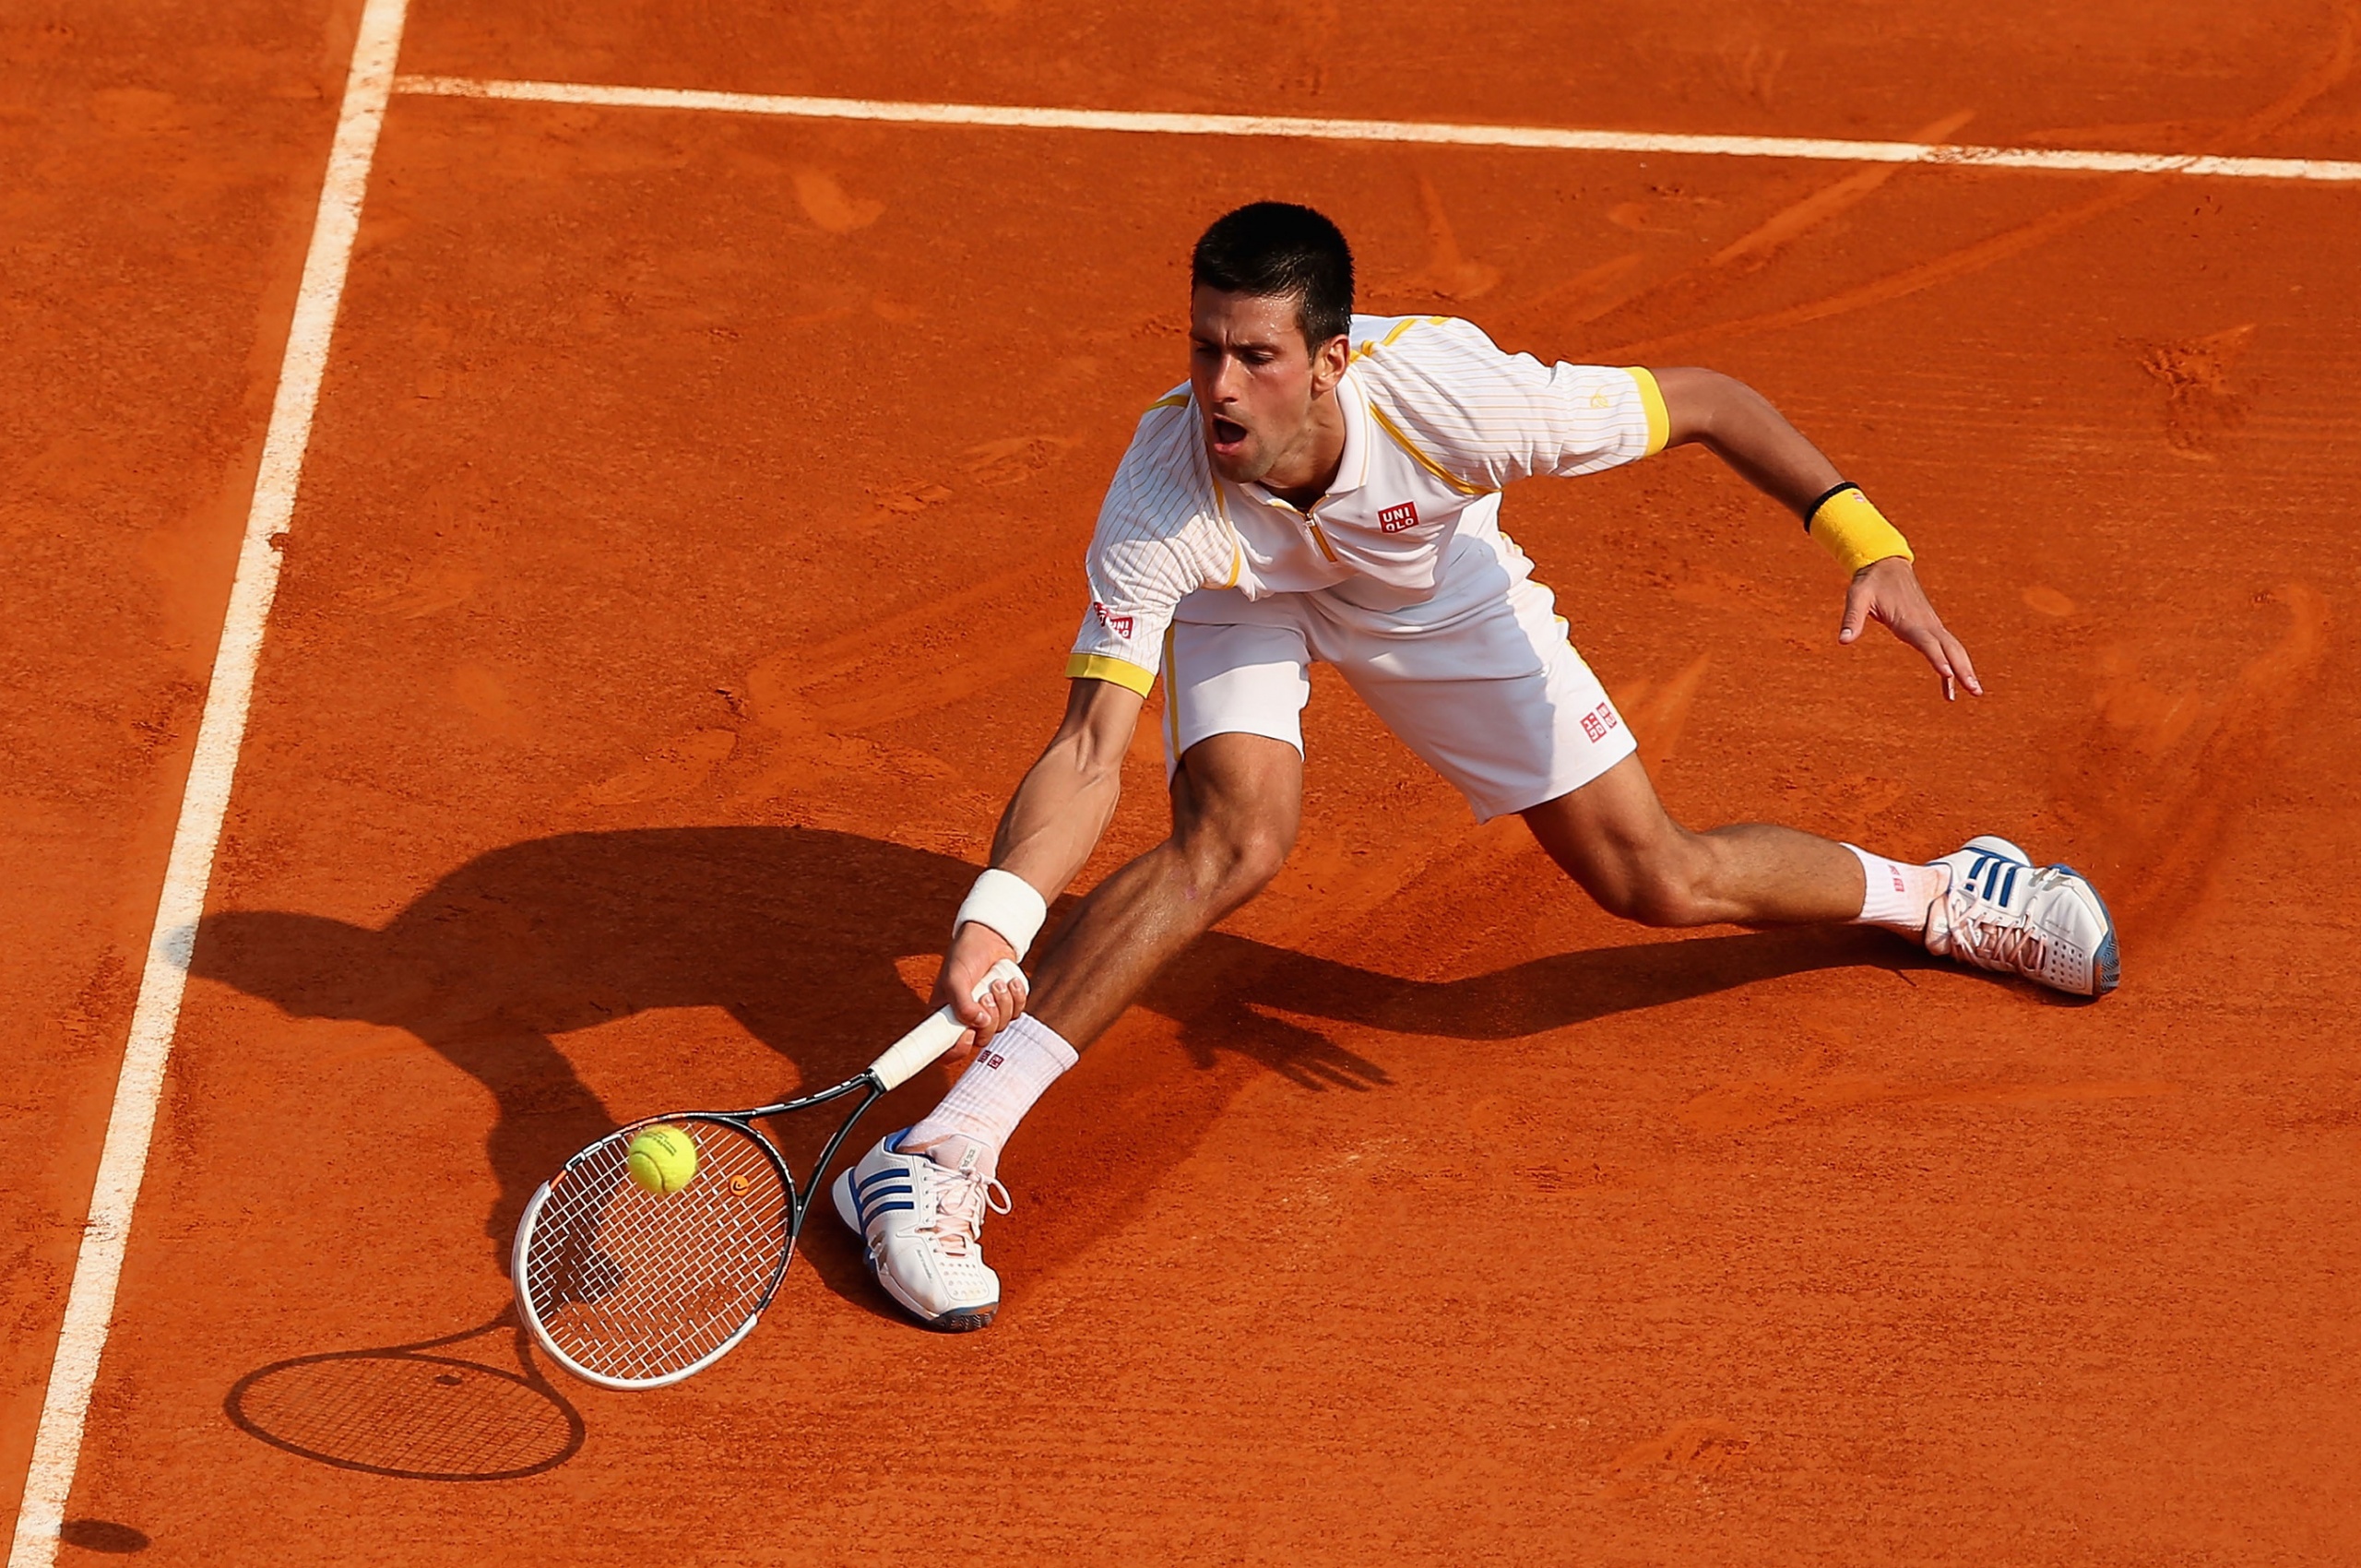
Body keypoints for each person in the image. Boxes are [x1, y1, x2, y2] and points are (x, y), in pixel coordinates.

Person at [830, 201, 2118, 1332]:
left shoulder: (1458, 397)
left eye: (1256, 357)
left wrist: (1865, 538)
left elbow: (1713, 404)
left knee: (1656, 876)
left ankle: (1946, 894)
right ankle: (939, 1148)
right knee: (1236, 838)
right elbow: (1088, 746)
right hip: (1249, 591)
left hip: (1431, 595)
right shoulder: (1165, 497)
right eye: (1203, 348)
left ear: (1332, 362)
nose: (1221, 387)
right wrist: (995, 917)